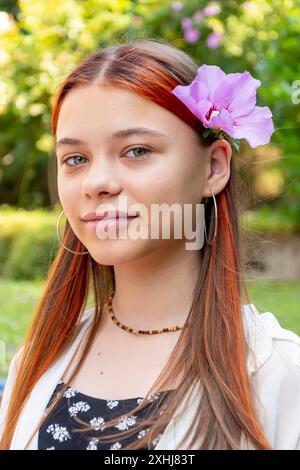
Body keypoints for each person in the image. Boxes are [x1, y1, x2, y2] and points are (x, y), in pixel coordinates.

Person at [0, 38, 300, 450]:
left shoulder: (277, 372)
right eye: (75, 159)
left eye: (137, 151)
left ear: (213, 167)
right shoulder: (38, 361)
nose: (97, 183)